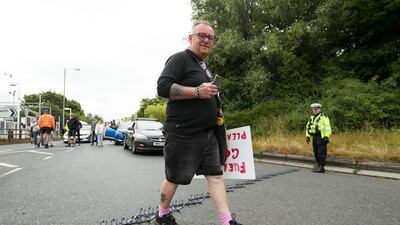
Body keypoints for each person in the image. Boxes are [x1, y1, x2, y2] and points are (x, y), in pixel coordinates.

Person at [155, 20, 241, 225]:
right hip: (182, 132)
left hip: (208, 133)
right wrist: (196, 91)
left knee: (216, 176)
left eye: (210, 37)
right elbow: (162, 88)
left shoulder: (203, 66)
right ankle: (162, 214)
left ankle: (227, 220)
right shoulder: (179, 59)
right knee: (174, 177)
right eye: (201, 35)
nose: (205, 40)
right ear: (190, 38)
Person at [306, 103, 332, 173]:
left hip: (321, 137)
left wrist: (326, 136)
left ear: (319, 109)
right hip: (314, 137)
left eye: (316, 109)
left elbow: (328, 127)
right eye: (313, 109)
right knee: (316, 152)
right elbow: (308, 126)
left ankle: (322, 167)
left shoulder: (324, 117)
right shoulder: (311, 117)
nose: (315, 110)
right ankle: (318, 165)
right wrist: (307, 136)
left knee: (321, 152)